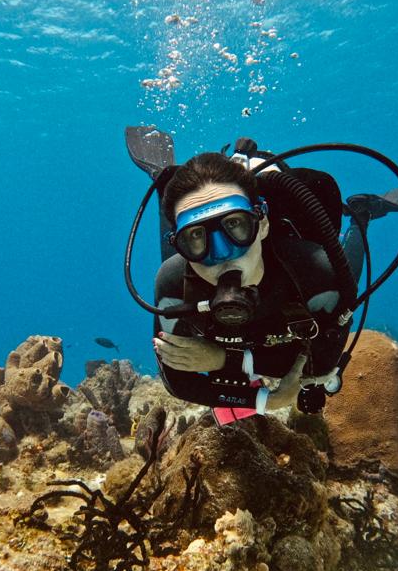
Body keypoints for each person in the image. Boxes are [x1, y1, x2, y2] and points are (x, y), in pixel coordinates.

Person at [152, 152, 356, 417]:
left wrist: (224, 359)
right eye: (195, 236)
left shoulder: (314, 270)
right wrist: (266, 401)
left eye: (235, 224)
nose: (222, 254)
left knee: (349, 268)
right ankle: (164, 178)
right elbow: (177, 381)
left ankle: (361, 216)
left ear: (262, 224)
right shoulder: (171, 281)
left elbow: (323, 364)